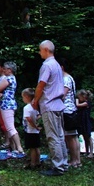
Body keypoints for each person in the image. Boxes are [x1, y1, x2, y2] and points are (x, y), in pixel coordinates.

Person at [31, 40, 69, 176]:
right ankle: (63, 163)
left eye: (40, 50)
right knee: (59, 136)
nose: (39, 53)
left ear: (46, 50)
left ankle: (58, 166)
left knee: (53, 137)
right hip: (58, 104)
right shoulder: (57, 65)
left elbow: (41, 84)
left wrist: (35, 99)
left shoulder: (47, 65)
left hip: (50, 104)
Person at [0, 61, 22, 153]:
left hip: (6, 105)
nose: (3, 70)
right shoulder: (13, 78)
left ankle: (19, 148)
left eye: (5, 68)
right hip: (8, 104)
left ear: (10, 70)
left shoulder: (8, 79)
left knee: (10, 127)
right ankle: (13, 148)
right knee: (9, 126)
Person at [60, 59, 81, 168]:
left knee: (70, 136)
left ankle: (74, 160)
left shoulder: (66, 79)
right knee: (73, 136)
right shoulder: (69, 78)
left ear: (62, 67)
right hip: (71, 110)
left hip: (67, 110)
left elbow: (62, 95)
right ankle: (77, 160)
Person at [21, 88, 41, 169]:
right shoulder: (35, 107)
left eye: (23, 97)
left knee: (32, 148)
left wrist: (34, 125)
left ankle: (33, 163)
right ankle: (38, 161)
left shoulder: (27, 108)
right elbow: (39, 116)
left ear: (26, 97)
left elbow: (28, 119)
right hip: (36, 131)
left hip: (30, 131)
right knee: (36, 147)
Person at [76, 89, 94, 157]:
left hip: (86, 121)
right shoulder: (83, 103)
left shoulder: (87, 103)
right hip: (81, 121)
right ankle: (87, 152)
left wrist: (76, 100)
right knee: (84, 137)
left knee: (88, 137)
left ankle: (91, 153)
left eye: (79, 97)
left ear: (83, 96)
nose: (78, 98)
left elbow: (77, 105)